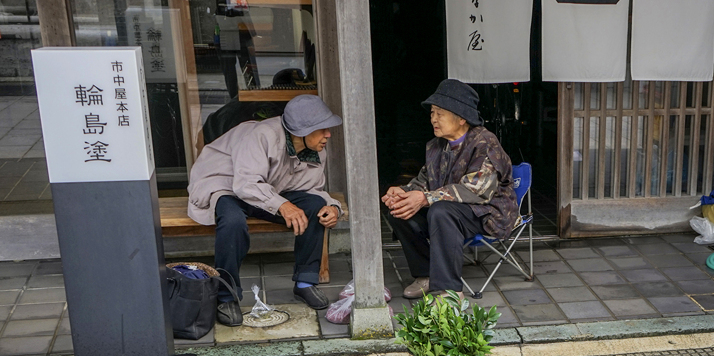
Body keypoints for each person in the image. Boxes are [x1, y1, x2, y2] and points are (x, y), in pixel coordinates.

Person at [187, 94, 346, 326]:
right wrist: (283, 205)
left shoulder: (316, 149)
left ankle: (304, 282)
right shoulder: (261, 135)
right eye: (322, 129)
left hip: (268, 191)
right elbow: (246, 184)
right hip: (226, 185)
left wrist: (333, 208)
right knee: (232, 221)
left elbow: (311, 190)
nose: (328, 135)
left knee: (314, 207)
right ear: (302, 130)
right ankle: (225, 295)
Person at [383, 79, 518, 299]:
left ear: (462, 118)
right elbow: (425, 181)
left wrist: (425, 198)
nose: (433, 119)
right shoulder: (438, 145)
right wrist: (404, 192)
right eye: (432, 113)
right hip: (450, 210)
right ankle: (425, 274)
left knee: (441, 210)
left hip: (487, 213)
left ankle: (449, 291)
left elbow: (477, 190)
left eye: (440, 113)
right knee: (400, 209)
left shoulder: (485, 142)